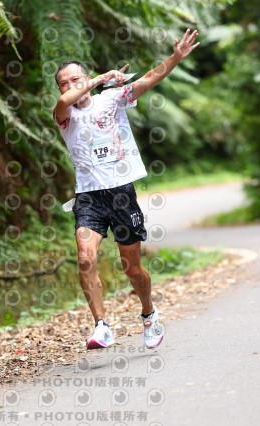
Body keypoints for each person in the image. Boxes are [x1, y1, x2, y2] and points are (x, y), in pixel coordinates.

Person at [52, 29, 200, 349]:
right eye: (64, 82)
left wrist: (175, 57)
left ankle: (149, 314)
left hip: (121, 193)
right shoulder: (65, 115)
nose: (70, 86)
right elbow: (64, 101)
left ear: (86, 78)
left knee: (132, 269)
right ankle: (101, 326)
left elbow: (148, 79)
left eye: (76, 79)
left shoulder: (112, 99)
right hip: (88, 196)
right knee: (85, 258)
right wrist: (100, 78)